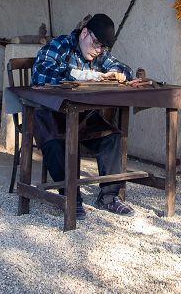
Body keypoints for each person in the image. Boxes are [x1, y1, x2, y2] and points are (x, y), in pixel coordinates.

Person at [31, 13, 144, 217]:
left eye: (103, 47)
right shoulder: (59, 46)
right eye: (96, 44)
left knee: (111, 137)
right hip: (51, 114)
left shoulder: (99, 54)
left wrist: (118, 73)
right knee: (58, 144)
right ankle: (70, 197)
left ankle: (108, 197)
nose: (98, 50)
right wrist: (79, 74)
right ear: (84, 33)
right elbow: (41, 73)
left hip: (82, 117)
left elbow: (125, 68)